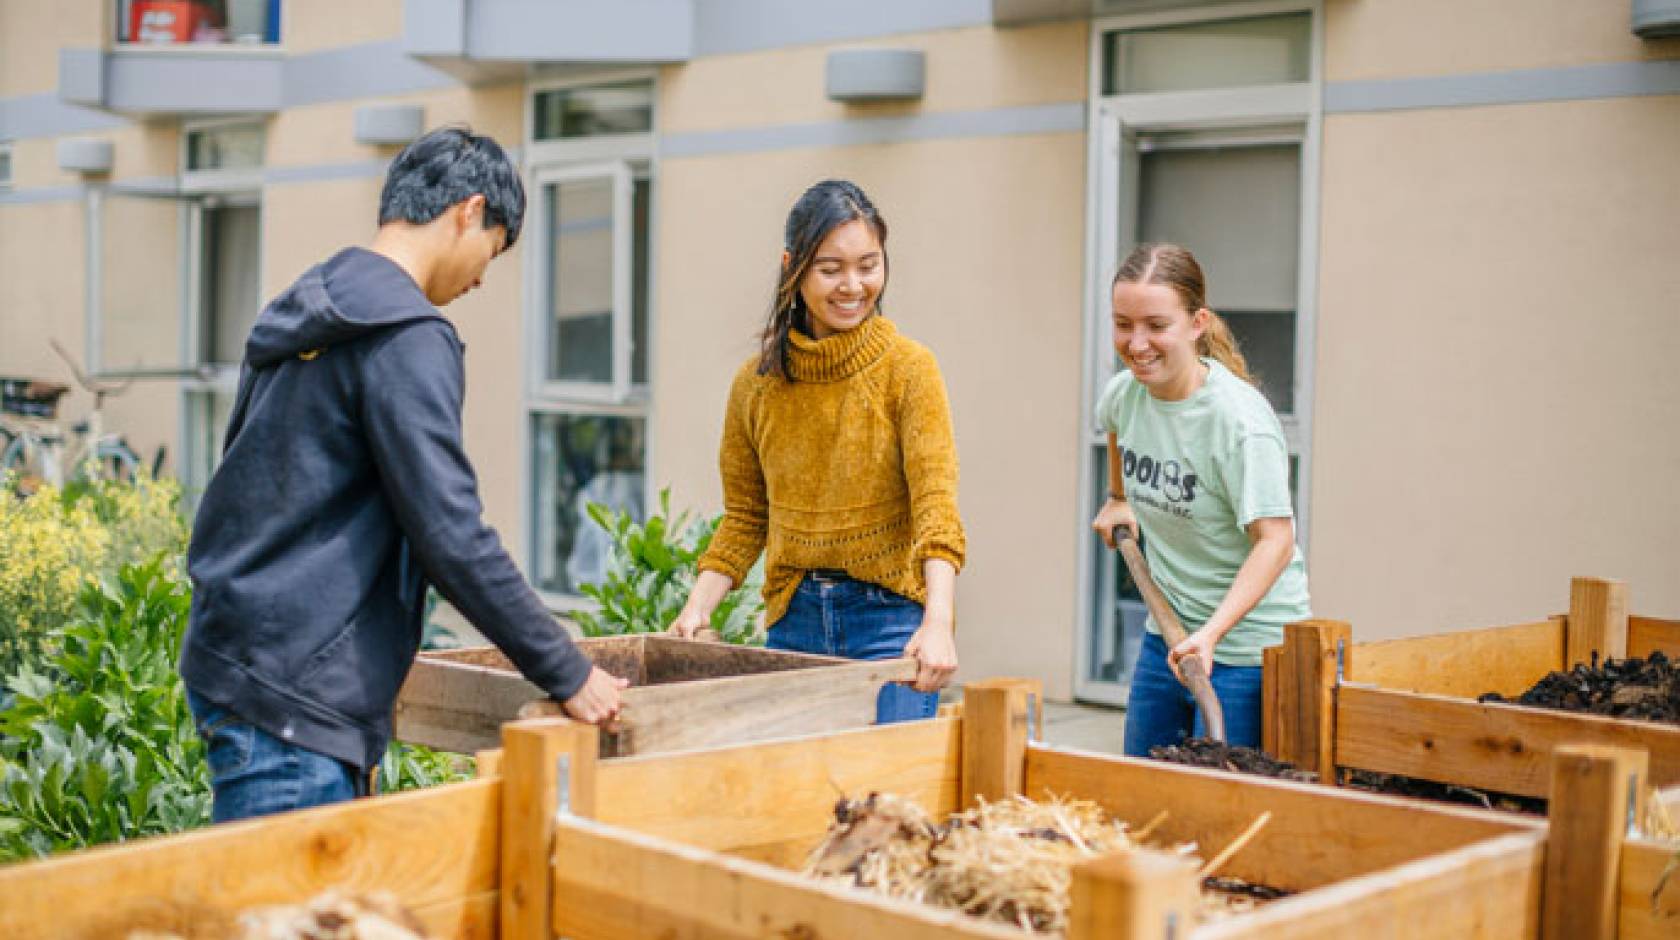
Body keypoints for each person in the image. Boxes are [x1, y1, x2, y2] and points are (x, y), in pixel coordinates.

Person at [180, 126, 626, 823]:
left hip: (237, 659)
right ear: (469, 211)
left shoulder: (305, 309)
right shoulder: (406, 337)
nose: (481, 278)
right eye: (493, 251)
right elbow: (449, 532)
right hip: (297, 694)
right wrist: (569, 672)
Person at [667, 180, 964, 722]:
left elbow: (936, 509)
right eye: (831, 269)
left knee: (890, 795)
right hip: (794, 621)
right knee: (801, 797)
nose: (853, 285)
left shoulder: (909, 370)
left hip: (892, 622)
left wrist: (938, 621)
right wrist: (697, 607)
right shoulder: (755, 385)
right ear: (792, 267)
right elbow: (745, 517)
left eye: (868, 265)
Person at [1090, 243, 1310, 755]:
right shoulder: (1126, 394)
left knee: (1223, 806)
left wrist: (1210, 635)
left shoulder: (1238, 424)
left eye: (1156, 325)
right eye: (1124, 324)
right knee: (1145, 787)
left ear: (1197, 323)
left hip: (1247, 650)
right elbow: (1117, 431)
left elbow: (1275, 541)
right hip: (1166, 633)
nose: (1137, 342)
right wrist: (1118, 497)